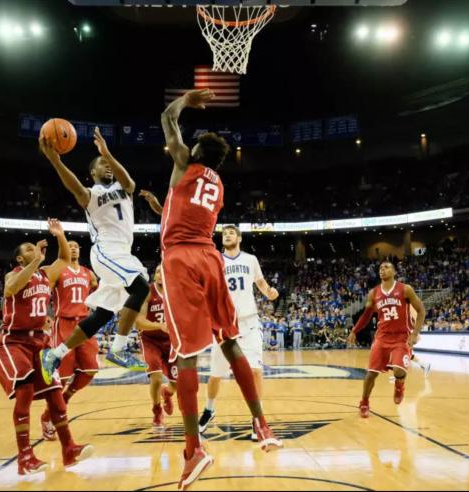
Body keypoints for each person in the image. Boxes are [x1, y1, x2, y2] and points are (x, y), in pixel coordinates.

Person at [160, 89, 282, 490]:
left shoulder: (185, 164)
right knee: (230, 343)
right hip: (210, 258)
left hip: (181, 259)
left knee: (188, 356)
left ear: (194, 151)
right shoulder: (218, 184)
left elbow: (166, 119)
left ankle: (193, 449)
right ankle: (261, 425)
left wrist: (185, 101)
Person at [38, 128, 150, 382]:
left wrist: (107, 153)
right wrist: (56, 161)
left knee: (102, 314)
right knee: (141, 288)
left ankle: (55, 354)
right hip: (106, 251)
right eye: (102, 165)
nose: (107, 167)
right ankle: (118, 349)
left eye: (109, 164)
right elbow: (74, 187)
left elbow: (130, 182)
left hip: (123, 253)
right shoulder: (91, 194)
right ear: (93, 173)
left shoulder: (125, 187)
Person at [0, 219, 92, 475]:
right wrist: (36, 260)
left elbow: (62, 257)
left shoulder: (46, 276)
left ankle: (69, 448)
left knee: (56, 395)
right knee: (25, 392)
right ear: (18, 259)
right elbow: (10, 289)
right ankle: (24, 457)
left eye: (33, 248)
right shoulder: (14, 275)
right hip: (14, 341)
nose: (32, 251)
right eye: (27, 249)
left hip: (40, 341)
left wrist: (60, 234)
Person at [198, 225, 279, 437]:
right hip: (223, 323)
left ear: (239, 238)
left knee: (255, 371)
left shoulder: (250, 259)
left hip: (249, 322)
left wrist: (269, 292)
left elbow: (260, 282)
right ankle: (209, 409)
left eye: (231, 233)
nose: (227, 235)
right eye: (224, 234)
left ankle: (257, 418)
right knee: (216, 375)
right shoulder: (214, 259)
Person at [347, 261, 425, 417]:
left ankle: (399, 385)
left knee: (399, 370)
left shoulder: (405, 289)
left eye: (386, 267)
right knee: (371, 373)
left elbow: (421, 310)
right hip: (382, 337)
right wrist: (354, 331)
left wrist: (415, 333)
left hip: (402, 337)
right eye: (380, 268)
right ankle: (364, 402)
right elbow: (367, 315)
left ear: (394, 271)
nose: (382, 270)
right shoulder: (373, 293)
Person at [41, 240, 99, 441]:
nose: (73, 248)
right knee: (62, 377)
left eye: (76, 246)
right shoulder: (57, 270)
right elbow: (44, 291)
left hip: (84, 323)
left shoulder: (88, 273)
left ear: (80, 250)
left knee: (90, 368)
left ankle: (65, 398)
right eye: (70, 245)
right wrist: (42, 316)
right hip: (63, 323)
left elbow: (96, 289)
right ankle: (48, 417)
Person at [135, 264, 178, 429]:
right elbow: (138, 321)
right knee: (156, 377)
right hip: (150, 340)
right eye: (158, 271)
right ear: (155, 276)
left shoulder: (176, 291)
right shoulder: (147, 292)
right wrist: (159, 325)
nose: (161, 273)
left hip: (171, 341)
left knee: (176, 384)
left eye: (164, 270)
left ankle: (167, 393)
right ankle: (157, 409)